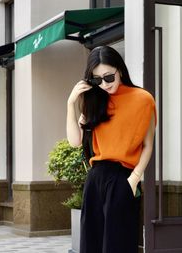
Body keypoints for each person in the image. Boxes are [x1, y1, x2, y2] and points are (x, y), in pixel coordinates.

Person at [66, 46, 156, 253]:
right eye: (97, 80)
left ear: (120, 70)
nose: (104, 85)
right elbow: (75, 141)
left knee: (119, 243)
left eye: (108, 77)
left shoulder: (143, 99)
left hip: (123, 177)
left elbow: (148, 145)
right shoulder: (95, 100)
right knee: (91, 242)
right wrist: (71, 104)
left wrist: (134, 179)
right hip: (96, 177)